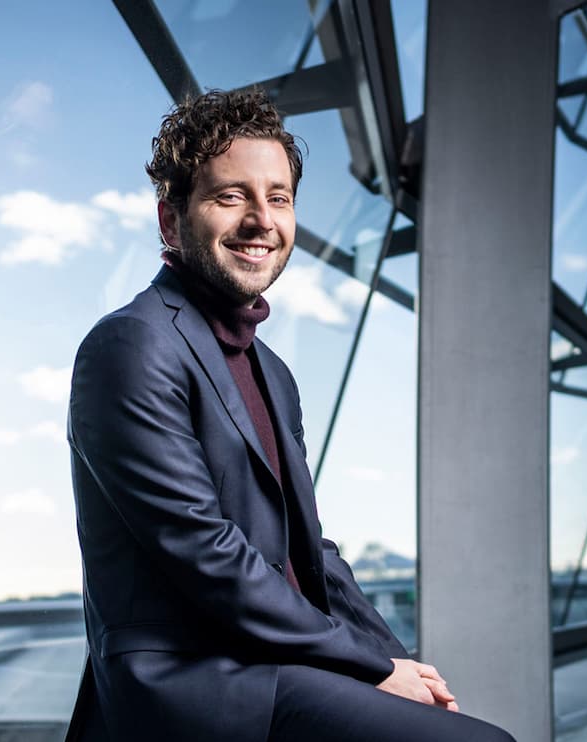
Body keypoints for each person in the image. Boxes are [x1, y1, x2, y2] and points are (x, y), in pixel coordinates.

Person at [63, 89, 514, 742]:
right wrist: (364, 664)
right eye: (230, 196)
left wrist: (396, 660)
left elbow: (314, 553)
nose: (261, 219)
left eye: (278, 197)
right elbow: (206, 556)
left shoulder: (272, 372)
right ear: (170, 222)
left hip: (270, 660)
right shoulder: (130, 345)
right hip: (197, 681)